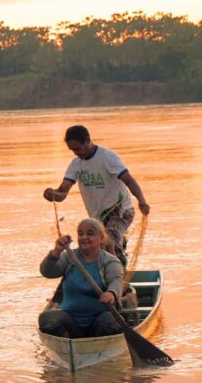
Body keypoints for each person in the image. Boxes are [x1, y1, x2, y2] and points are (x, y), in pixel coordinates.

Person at [43, 125, 150, 264]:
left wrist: (142, 201)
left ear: (87, 140)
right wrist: (51, 194)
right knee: (96, 247)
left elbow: (129, 180)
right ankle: (118, 249)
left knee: (108, 243)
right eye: (72, 150)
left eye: (77, 149)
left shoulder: (107, 157)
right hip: (98, 217)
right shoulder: (76, 164)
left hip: (120, 210)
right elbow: (63, 192)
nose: (76, 153)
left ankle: (118, 277)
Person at [39, 218, 124, 338]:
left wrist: (111, 293)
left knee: (111, 322)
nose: (84, 237)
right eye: (80, 234)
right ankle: (67, 341)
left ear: (101, 238)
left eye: (90, 234)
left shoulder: (109, 260)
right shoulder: (69, 257)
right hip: (70, 319)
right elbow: (47, 272)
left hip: (99, 320)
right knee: (46, 319)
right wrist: (56, 252)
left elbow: (116, 280)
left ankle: (97, 343)